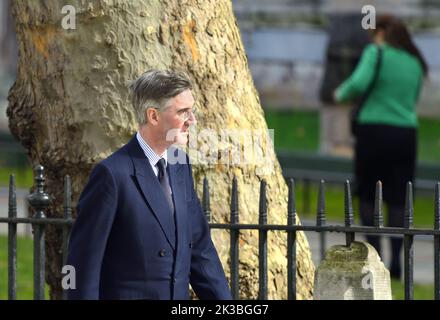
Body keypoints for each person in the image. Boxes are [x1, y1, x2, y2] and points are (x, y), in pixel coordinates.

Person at [66, 69, 232, 299]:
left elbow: (200, 252)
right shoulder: (112, 175)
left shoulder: (180, 164)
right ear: (153, 116)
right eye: (183, 112)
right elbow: (81, 264)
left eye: (191, 111)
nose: (191, 121)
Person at [334, 15, 428, 279]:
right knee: (399, 195)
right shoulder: (415, 61)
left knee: (369, 193)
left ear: (383, 32)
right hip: (406, 133)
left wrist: (339, 94)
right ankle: (398, 259)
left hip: (374, 131)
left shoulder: (376, 52)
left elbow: (358, 84)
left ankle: (376, 256)